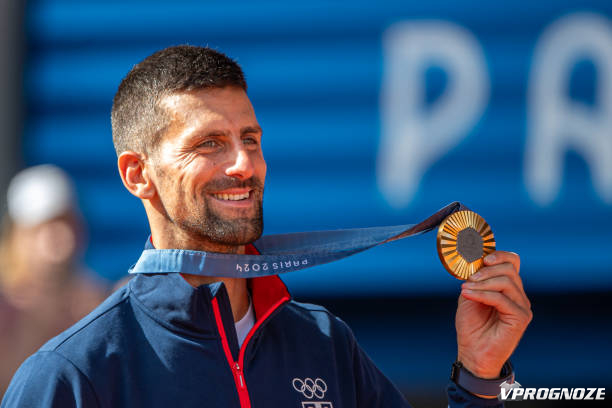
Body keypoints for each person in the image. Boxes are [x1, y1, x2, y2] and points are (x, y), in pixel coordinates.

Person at [1, 46, 532, 407]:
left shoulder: (325, 344)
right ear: (138, 175)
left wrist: (480, 374)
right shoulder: (75, 374)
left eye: (250, 139)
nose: (244, 165)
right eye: (209, 143)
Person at [0, 165, 108, 397]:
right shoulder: (6, 308)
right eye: (46, 226)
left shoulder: (96, 303)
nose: (62, 236)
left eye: (68, 222)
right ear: (19, 234)